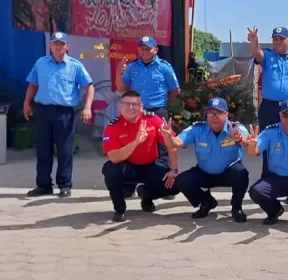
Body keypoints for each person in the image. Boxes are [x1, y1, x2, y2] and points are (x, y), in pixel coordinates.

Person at [248, 26, 288, 206]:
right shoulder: (268, 57)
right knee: (268, 145)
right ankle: (267, 185)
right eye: (275, 39)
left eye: (281, 39)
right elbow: (257, 54)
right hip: (270, 107)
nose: (277, 42)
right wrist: (254, 41)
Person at [24, 32, 94, 198]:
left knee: (64, 150)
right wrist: (26, 103)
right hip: (43, 111)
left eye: (61, 44)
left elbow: (89, 86)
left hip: (64, 113)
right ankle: (43, 185)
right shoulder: (41, 63)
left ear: (67, 47)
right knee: (43, 149)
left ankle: (65, 185)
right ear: (50, 46)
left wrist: (87, 107)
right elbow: (33, 85)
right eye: (55, 43)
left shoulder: (75, 66)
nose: (58, 47)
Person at [101, 91, 179, 222]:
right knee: (110, 169)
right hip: (128, 167)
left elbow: (172, 145)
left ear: (141, 106)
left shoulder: (152, 119)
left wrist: (174, 169)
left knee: (176, 184)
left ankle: (146, 194)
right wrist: (136, 142)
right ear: (120, 106)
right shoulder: (112, 127)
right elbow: (114, 157)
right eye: (127, 104)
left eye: (135, 104)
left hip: (151, 165)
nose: (131, 108)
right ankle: (120, 209)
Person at [169, 97, 251, 222]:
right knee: (182, 180)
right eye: (210, 113)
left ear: (226, 114)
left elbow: (248, 142)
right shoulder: (197, 129)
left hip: (228, 172)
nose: (214, 116)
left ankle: (236, 208)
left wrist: (239, 139)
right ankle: (207, 202)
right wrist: (169, 137)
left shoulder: (235, 128)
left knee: (241, 173)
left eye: (218, 112)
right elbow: (177, 142)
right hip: (205, 172)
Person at [115, 36, 180, 119]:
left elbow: (175, 90)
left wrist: (162, 101)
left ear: (156, 50)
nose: (144, 51)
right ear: (138, 49)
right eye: (142, 48)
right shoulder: (132, 66)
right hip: (137, 111)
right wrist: (118, 72)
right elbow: (121, 88)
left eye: (148, 49)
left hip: (158, 111)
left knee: (160, 132)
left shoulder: (165, 67)